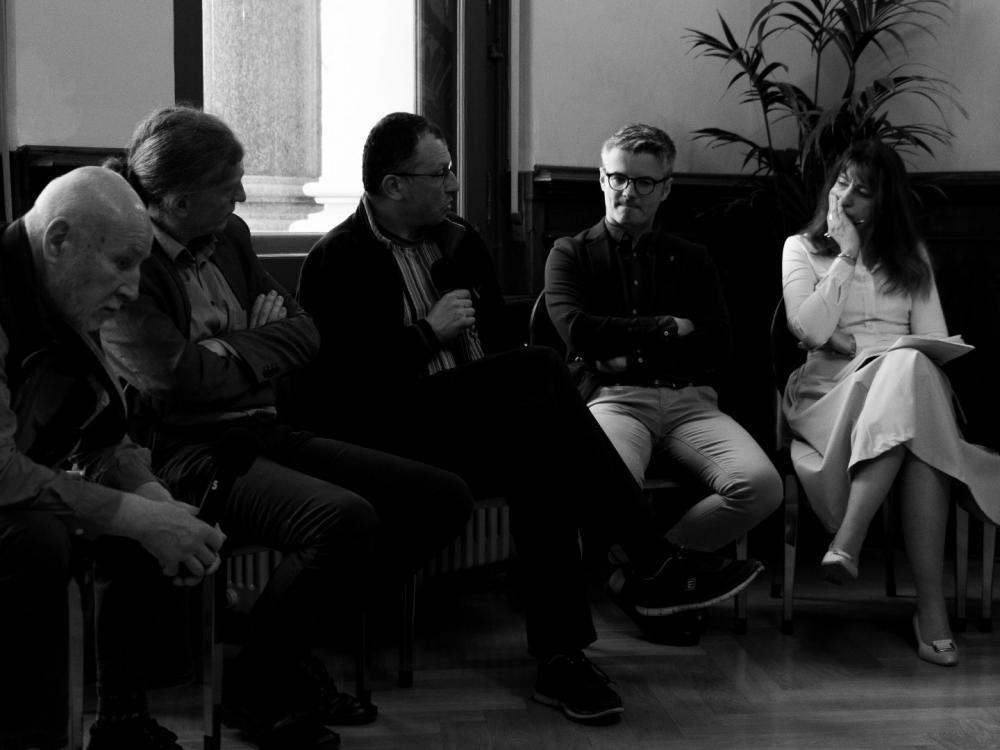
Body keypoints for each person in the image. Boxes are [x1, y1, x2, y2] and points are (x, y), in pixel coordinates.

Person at [294, 111, 764, 724]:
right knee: (542, 368)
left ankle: (561, 659)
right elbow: (341, 394)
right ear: (393, 185)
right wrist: (426, 335)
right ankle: (652, 561)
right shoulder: (337, 259)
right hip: (393, 437)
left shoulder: (458, 241)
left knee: (544, 457)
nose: (454, 184)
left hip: (470, 425)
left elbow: (494, 345)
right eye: (440, 173)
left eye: (452, 170)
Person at [99, 106, 474, 750]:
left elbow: (306, 333)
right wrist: (253, 343)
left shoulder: (230, 235)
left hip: (262, 429)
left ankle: (277, 649)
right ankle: (262, 683)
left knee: (440, 497)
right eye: (229, 185)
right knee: (343, 519)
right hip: (183, 453)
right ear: (179, 200)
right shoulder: (130, 258)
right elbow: (176, 381)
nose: (244, 196)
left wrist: (228, 348)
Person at [0, 167, 226, 750]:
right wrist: (132, 515)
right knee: (37, 538)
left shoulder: (61, 295)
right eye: (122, 263)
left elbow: (101, 434)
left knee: (143, 516)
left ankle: (122, 722)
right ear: (59, 240)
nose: (132, 288)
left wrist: (152, 502)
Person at [780, 138, 1000, 666]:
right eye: (841, 184)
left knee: (910, 372)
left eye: (863, 190)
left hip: (905, 388)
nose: (846, 197)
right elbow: (807, 330)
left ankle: (849, 543)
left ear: (885, 201)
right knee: (912, 385)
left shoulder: (910, 257)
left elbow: (934, 340)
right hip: (831, 394)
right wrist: (846, 255)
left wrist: (874, 348)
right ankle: (929, 609)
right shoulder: (801, 248)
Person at [544, 123, 782, 597]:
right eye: (618, 178)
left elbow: (718, 342)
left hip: (690, 402)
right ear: (602, 178)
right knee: (612, 487)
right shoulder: (570, 253)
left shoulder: (692, 258)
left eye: (644, 181)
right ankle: (663, 575)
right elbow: (580, 331)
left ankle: (649, 570)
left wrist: (623, 349)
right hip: (615, 401)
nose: (628, 191)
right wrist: (668, 328)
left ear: (666, 188)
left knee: (762, 487)